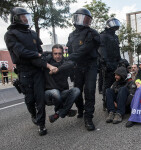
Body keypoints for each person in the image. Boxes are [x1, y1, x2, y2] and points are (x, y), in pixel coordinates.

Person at [4, 7, 56, 136]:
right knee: (30, 99)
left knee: (40, 98)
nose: (26, 19)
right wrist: (37, 55)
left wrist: (40, 56)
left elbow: (40, 49)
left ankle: (41, 124)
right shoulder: (10, 34)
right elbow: (20, 52)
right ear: (16, 18)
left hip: (37, 70)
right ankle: (33, 114)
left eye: (26, 16)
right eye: (23, 16)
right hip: (24, 71)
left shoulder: (32, 33)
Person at [51, 8, 100, 131]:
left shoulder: (93, 33)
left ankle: (88, 118)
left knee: (89, 91)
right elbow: (69, 52)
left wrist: (70, 58)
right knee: (77, 90)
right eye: (82, 18)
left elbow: (85, 49)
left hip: (90, 66)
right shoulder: (71, 35)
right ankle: (81, 109)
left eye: (87, 19)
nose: (84, 21)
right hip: (77, 67)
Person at [44, 44, 80, 123]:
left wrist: (57, 69)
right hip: (48, 94)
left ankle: (59, 113)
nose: (58, 56)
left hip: (62, 92)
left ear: (62, 53)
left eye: (60, 53)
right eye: (55, 54)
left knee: (76, 90)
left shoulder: (65, 61)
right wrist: (50, 66)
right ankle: (65, 111)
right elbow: (39, 60)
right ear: (52, 54)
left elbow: (72, 63)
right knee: (55, 92)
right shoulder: (47, 61)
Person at [98, 17, 121, 111]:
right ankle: (106, 103)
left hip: (115, 62)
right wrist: (105, 62)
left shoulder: (115, 36)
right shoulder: (103, 35)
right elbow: (101, 50)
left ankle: (115, 101)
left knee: (116, 83)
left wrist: (120, 61)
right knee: (107, 84)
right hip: (107, 63)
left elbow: (117, 50)